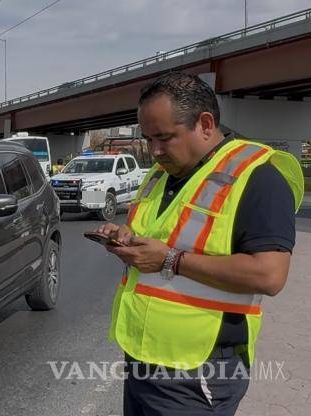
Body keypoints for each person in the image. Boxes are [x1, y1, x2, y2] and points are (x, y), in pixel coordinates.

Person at [96, 72, 304, 415]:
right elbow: (161, 244)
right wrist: (128, 244)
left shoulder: (258, 177)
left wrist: (169, 260)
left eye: (164, 138)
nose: (155, 150)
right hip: (144, 355)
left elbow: (269, 275)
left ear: (205, 124)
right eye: (148, 139)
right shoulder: (162, 173)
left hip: (199, 369)